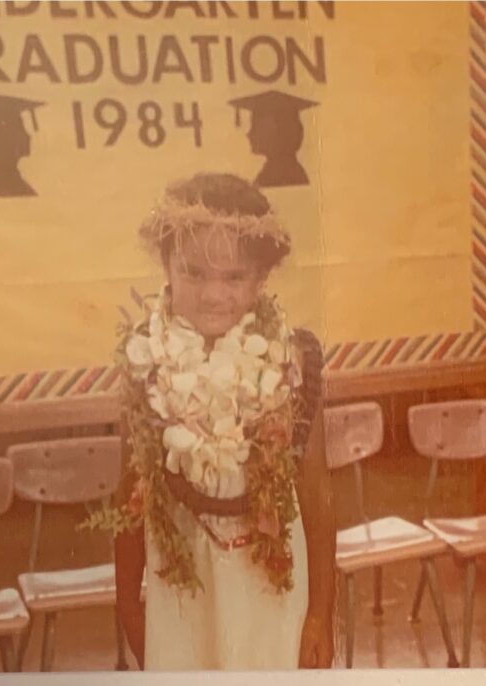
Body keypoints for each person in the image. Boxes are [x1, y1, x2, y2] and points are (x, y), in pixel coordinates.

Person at [97, 172, 335, 670]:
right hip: (182, 585)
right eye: (193, 273)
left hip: (271, 582)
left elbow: (316, 493)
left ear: (261, 278)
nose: (212, 295)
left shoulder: (291, 362)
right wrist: (126, 603)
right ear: (166, 267)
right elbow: (130, 493)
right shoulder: (147, 364)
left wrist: (320, 613)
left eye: (234, 278)